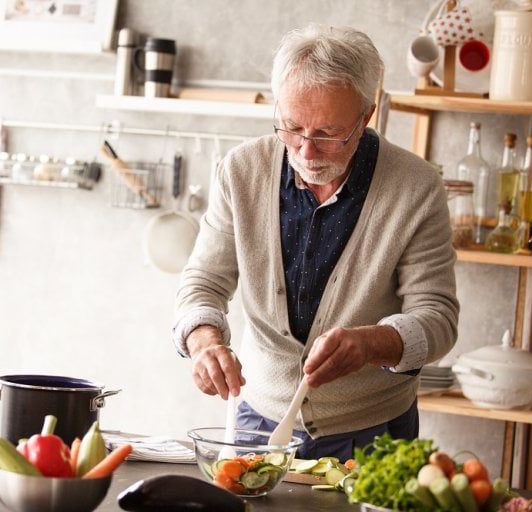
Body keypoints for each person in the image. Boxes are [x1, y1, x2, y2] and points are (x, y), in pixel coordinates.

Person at [172, 24, 459, 461]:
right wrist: (205, 343)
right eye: (291, 127)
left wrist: (370, 344)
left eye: (327, 133)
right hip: (257, 417)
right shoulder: (240, 171)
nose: (306, 151)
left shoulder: (416, 188)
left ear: (365, 116)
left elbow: (438, 318)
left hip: (373, 428)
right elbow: (203, 282)